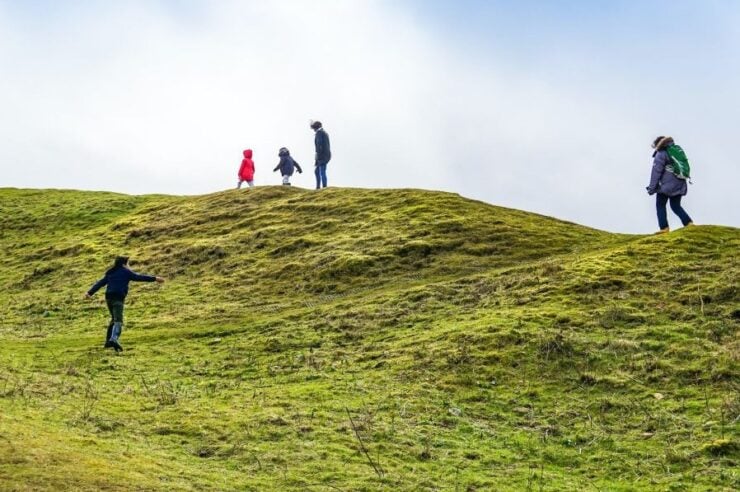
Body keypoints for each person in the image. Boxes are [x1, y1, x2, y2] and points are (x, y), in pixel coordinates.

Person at [84, 256, 165, 352]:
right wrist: (155, 278)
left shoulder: (111, 272)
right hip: (118, 298)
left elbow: (101, 283)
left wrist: (89, 293)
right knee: (118, 320)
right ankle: (113, 339)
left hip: (109, 298)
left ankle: (108, 342)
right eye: (128, 264)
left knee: (114, 319)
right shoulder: (126, 272)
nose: (129, 266)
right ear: (124, 264)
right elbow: (139, 277)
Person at [647, 136, 694, 234]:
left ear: (658, 144)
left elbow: (656, 172)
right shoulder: (676, 151)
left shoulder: (661, 154)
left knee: (660, 205)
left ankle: (664, 228)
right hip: (679, 183)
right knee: (676, 206)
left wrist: (651, 188)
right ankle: (689, 223)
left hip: (665, 186)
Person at [311, 120, 331, 189]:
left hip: (322, 155)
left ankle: (323, 187)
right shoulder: (324, 132)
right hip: (326, 155)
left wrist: (318, 156)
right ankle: (319, 186)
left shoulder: (319, 133)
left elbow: (319, 145)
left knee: (321, 171)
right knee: (318, 171)